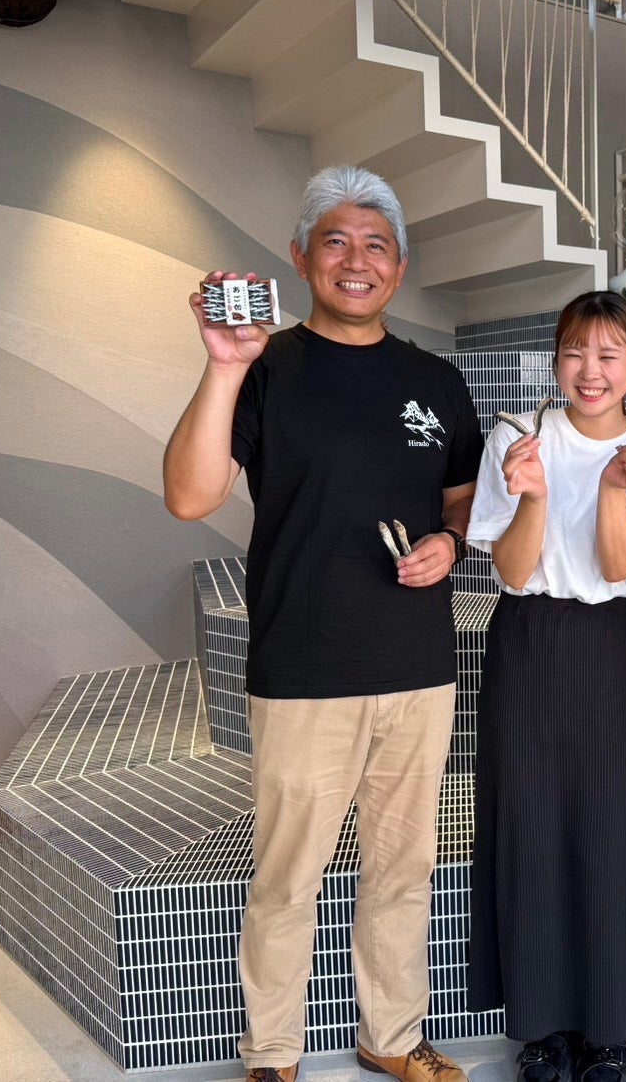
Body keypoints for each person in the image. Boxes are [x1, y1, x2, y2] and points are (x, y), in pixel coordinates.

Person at [162, 165, 482, 1082]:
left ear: (399, 267)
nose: (357, 260)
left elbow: (461, 500)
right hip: (304, 668)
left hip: (417, 666)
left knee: (402, 871)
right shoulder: (266, 367)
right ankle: (271, 1054)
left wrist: (450, 544)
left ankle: (392, 1038)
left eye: (376, 245)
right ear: (301, 258)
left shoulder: (435, 379)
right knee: (286, 879)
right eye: (335, 241)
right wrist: (225, 365)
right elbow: (189, 496)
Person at [464, 291, 626, 1082]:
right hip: (524, 639)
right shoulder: (515, 436)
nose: (589, 371)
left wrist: (612, 489)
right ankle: (540, 1028)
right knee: (525, 829)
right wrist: (531, 494)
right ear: (554, 359)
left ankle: (606, 1030)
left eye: (607, 355)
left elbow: (618, 564)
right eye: (574, 353)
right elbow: (511, 571)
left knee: (604, 831)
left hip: (606, 646)